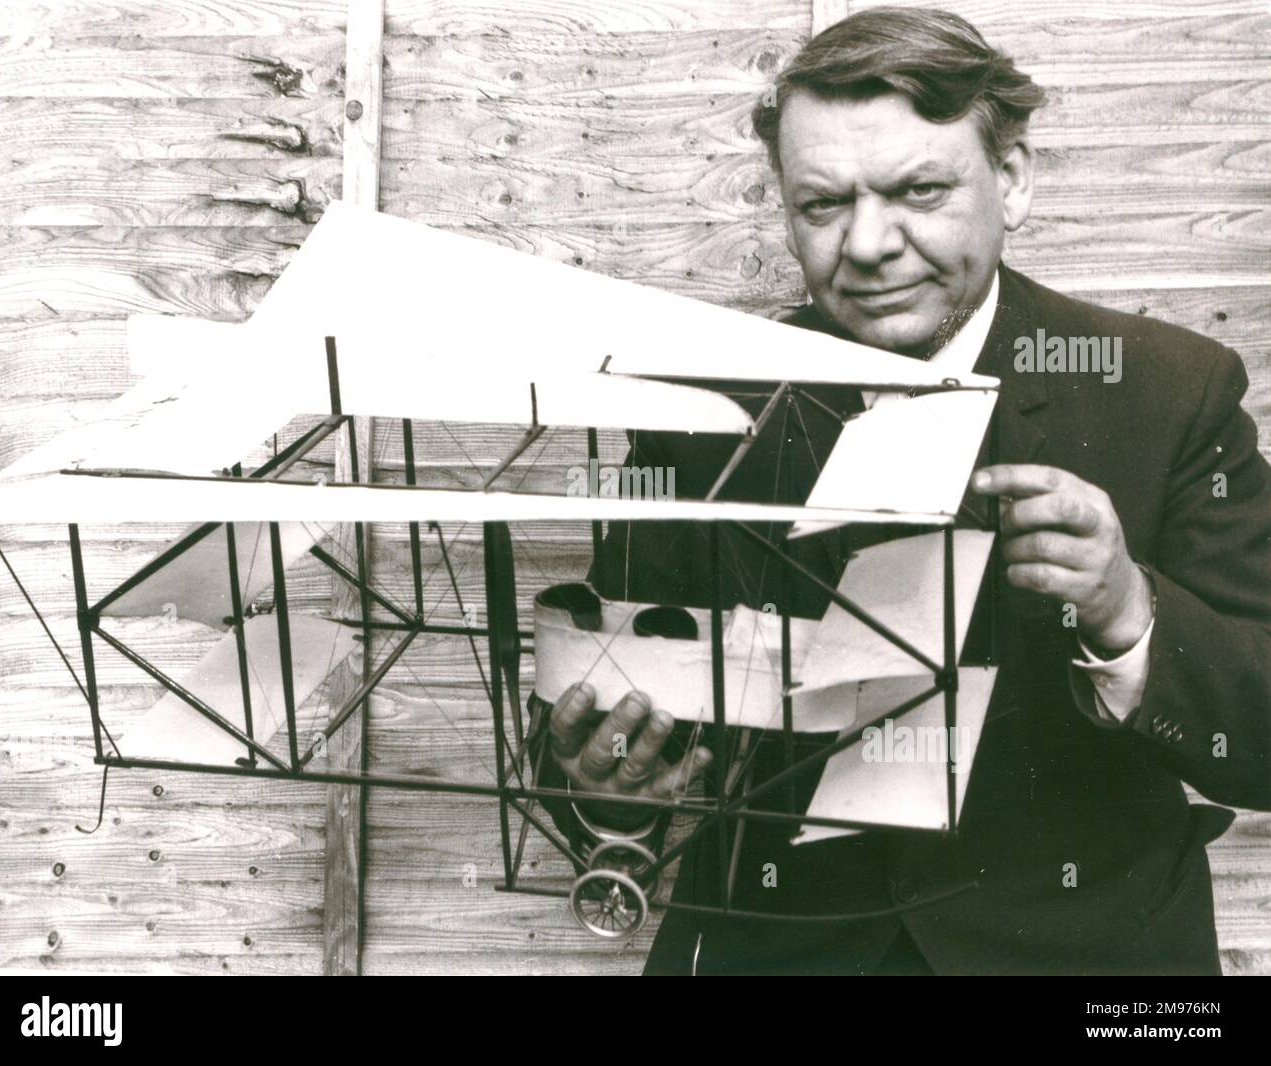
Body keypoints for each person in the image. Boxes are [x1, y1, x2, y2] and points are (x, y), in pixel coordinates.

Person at [536, 6, 1271, 975]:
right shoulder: (695, 407)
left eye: (917, 190)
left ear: (1010, 181)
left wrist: (1127, 612)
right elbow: (599, 739)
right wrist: (603, 784)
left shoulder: (1171, 392)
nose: (868, 243)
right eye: (821, 205)